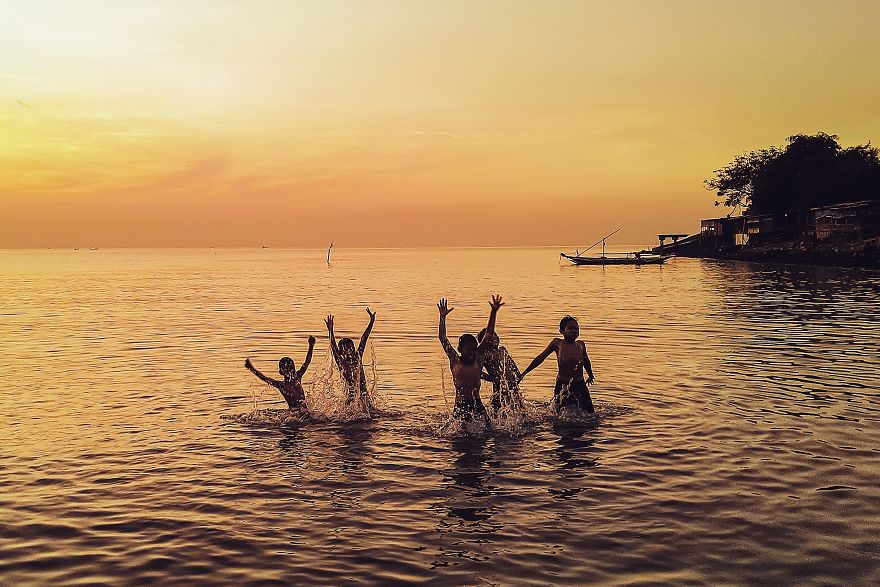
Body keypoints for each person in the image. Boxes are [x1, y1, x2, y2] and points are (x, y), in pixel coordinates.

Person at [437, 295, 504, 427]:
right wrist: (442, 317)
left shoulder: (478, 359)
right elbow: (442, 338)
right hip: (461, 405)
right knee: (460, 433)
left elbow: (488, 334)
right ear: (460, 350)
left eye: (474, 349)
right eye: (468, 350)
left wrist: (493, 312)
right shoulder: (455, 360)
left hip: (477, 404)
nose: (472, 353)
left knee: (490, 430)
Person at [519, 315, 596, 414]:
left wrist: (590, 375)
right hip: (562, 383)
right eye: (570, 328)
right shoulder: (557, 343)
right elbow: (541, 358)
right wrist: (525, 372)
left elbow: (586, 361)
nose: (574, 331)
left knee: (589, 412)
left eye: (576, 328)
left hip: (579, 384)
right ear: (562, 331)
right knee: (557, 412)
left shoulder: (581, 345)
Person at [325, 308, 376, 415]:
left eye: (349, 348)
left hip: (363, 395)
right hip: (350, 397)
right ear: (341, 351)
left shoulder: (357, 357)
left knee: (370, 412)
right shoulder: (341, 362)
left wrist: (371, 321)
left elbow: (364, 338)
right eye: (344, 349)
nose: (348, 351)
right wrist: (330, 330)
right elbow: (333, 345)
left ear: (352, 349)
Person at [244, 335, 316, 410]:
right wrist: (311, 346)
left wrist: (251, 368)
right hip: (303, 411)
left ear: (280, 372)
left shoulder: (282, 385)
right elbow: (307, 362)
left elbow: (264, 378)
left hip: (294, 413)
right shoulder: (296, 378)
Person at [477, 327, 524, 414]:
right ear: (485, 341)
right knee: (498, 407)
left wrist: (518, 374)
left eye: (495, 335)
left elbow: (512, 364)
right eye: (491, 337)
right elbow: (478, 372)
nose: (495, 338)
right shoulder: (486, 355)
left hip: (513, 385)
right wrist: (494, 379)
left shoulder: (503, 350)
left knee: (519, 405)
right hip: (499, 386)